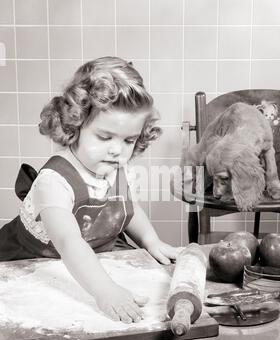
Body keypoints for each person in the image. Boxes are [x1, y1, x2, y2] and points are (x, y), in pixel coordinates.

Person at [0, 57, 180, 324]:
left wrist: (151, 241)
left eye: (129, 140)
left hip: (94, 254)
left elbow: (128, 210)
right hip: (32, 260)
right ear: (76, 124)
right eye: (104, 137)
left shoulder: (114, 166)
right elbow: (69, 243)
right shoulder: (54, 180)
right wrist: (105, 291)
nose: (117, 150)